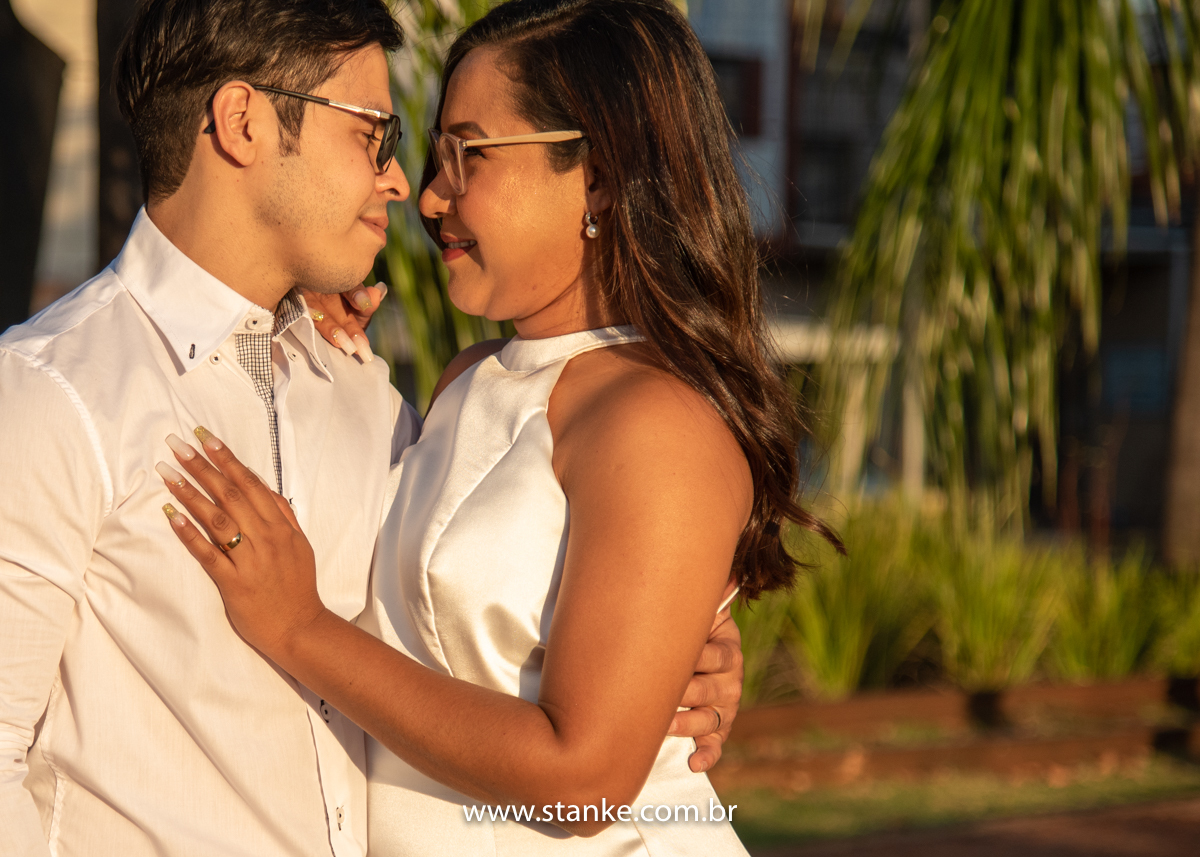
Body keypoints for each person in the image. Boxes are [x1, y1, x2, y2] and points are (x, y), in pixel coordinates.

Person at [0, 1, 740, 855]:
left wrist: (671, 655)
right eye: (373, 136)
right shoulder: (54, 392)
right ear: (243, 122)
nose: (410, 189)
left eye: (461, 153)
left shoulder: (360, 389)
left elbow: (530, 674)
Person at [158, 1, 839, 854]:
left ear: (597, 174)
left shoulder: (658, 422)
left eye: (467, 155)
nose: (431, 194)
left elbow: (584, 780)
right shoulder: (469, 380)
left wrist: (300, 629)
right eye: (433, 154)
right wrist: (308, 326)